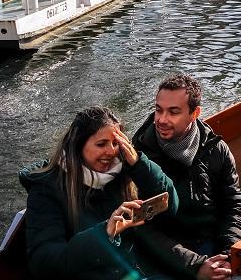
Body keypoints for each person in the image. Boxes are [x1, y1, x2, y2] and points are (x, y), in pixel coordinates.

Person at [19, 106, 179, 280]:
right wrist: (104, 234)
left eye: (116, 143)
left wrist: (140, 165)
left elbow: (171, 207)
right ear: (78, 146)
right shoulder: (47, 189)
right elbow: (43, 262)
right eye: (101, 144)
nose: (111, 151)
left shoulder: (124, 170)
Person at [133, 74, 241, 280]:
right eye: (158, 109)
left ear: (195, 113)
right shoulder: (140, 160)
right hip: (168, 257)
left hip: (213, 245)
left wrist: (230, 253)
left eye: (173, 112)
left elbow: (233, 203)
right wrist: (195, 266)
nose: (161, 119)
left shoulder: (215, 148)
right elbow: (143, 229)